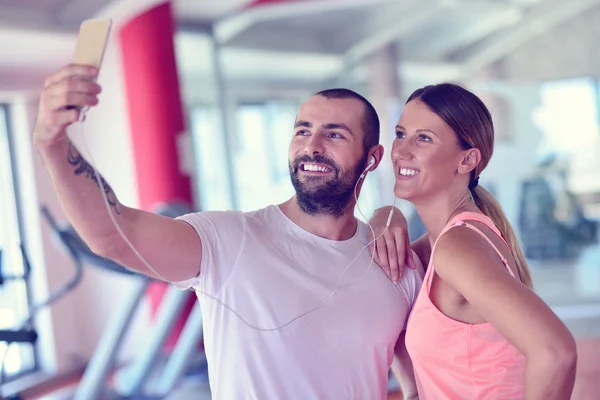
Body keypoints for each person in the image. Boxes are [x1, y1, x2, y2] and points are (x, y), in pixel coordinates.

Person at [33, 64, 423, 399]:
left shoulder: (393, 261)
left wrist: (391, 214)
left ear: (372, 158)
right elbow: (115, 233)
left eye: (335, 134)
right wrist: (51, 144)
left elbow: (417, 379)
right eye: (302, 131)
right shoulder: (230, 238)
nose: (312, 147)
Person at [382, 82, 577, 399]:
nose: (401, 151)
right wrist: (385, 216)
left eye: (424, 139)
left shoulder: (457, 247)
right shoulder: (445, 243)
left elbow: (555, 352)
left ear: (467, 160)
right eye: (401, 134)